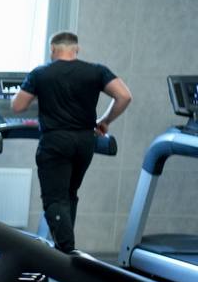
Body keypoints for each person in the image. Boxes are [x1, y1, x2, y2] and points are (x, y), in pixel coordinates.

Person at [11, 32, 133, 252]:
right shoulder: (96, 71)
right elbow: (124, 96)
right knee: (69, 196)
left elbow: (18, 106)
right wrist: (105, 121)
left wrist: (40, 94)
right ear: (76, 49)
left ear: (52, 49)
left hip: (55, 141)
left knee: (54, 200)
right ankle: (64, 253)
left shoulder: (41, 73)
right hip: (85, 142)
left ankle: (67, 252)